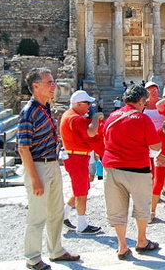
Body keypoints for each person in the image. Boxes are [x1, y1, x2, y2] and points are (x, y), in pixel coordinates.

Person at [17, 68, 80, 270]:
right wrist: (35, 178)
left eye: (53, 82)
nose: (54, 86)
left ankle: (56, 250)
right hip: (38, 166)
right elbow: (23, 148)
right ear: (36, 86)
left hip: (51, 164)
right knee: (37, 216)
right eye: (49, 82)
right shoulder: (28, 112)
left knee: (56, 213)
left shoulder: (44, 108)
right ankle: (33, 258)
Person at [103, 85, 165, 260]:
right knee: (142, 206)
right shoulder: (142, 119)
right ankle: (141, 240)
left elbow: (105, 140)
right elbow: (156, 145)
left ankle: (122, 245)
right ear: (140, 101)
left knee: (116, 209)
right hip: (137, 168)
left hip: (112, 169)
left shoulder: (111, 117)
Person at [60, 90, 104, 234]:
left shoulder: (68, 116)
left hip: (76, 157)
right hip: (77, 158)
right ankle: (82, 225)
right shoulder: (76, 119)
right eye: (87, 103)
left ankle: (64, 215)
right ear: (78, 104)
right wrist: (96, 117)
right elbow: (91, 132)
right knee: (81, 192)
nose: (89, 106)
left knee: (81, 188)